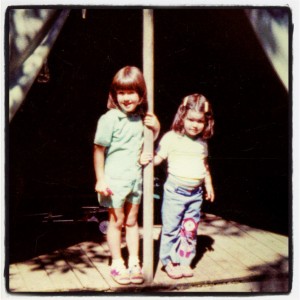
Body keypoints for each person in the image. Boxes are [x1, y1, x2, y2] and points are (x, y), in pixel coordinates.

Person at [93, 66, 160, 285]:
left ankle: (134, 261)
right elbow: (99, 150)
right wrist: (100, 179)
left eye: (131, 92)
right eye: (121, 93)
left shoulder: (141, 119)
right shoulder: (109, 118)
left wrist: (156, 127)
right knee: (117, 221)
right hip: (115, 181)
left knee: (132, 221)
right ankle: (117, 262)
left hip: (135, 180)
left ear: (141, 95)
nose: (126, 98)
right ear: (114, 95)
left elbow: (147, 141)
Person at [141, 93, 215, 279]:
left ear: (206, 121)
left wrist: (209, 184)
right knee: (172, 228)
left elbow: (204, 164)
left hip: (195, 194)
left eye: (200, 121)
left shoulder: (202, 142)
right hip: (175, 192)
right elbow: (158, 158)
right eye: (190, 119)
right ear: (182, 116)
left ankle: (184, 261)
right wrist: (146, 158)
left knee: (189, 229)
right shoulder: (171, 138)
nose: (194, 125)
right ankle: (169, 261)